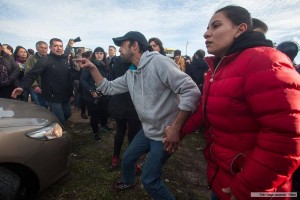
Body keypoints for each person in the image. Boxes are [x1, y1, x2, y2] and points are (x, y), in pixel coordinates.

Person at [172, 5, 300, 200]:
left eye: (215, 26)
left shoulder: (265, 61)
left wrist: (248, 188)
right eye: (207, 27)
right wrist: (179, 130)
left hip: (254, 186)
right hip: (224, 175)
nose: (206, 34)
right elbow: (204, 109)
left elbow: (287, 139)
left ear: (240, 29)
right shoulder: (219, 67)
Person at [73, 31, 200, 200]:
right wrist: (93, 68)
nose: (119, 50)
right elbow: (108, 87)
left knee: (150, 181)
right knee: (128, 158)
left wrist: (176, 128)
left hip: (164, 135)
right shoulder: (132, 72)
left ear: (135, 46)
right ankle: (128, 180)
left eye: (122, 46)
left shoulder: (159, 62)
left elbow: (191, 91)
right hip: (146, 130)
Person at [11, 38, 74, 125]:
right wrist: (22, 87)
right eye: (55, 46)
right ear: (51, 47)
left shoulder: (63, 59)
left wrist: (71, 93)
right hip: (53, 96)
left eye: (60, 46)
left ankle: (54, 124)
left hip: (65, 95)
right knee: (60, 120)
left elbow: (68, 76)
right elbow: (32, 74)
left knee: (68, 114)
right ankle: (59, 134)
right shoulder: (45, 60)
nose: (58, 48)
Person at [108, 55, 142, 168]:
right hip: (125, 102)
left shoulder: (139, 60)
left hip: (131, 103)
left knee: (128, 132)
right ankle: (119, 157)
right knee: (124, 131)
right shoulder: (119, 61)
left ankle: (126, 158)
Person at [80, 47, 111, 142]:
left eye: (101, 53)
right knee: (95, 115)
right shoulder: (89, 65)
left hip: (104, 95)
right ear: (94, 54)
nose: (99, 55)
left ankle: (103, 126)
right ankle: (95, 132)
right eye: (97, 53)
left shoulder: (106, 65)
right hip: (92, 96)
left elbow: (109, 79)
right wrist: (91, 91)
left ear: (104, 55)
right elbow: (83, 80)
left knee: (105, 112)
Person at [24, 41, 49, 108]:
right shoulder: (31, 58)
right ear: (37, 48)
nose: (44, 49)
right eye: (41, 47)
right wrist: (35, 86)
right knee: (41, 106)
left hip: (48, 86)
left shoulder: (50, 58)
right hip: (37, 86)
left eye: (45, 48)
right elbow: (28, 72)